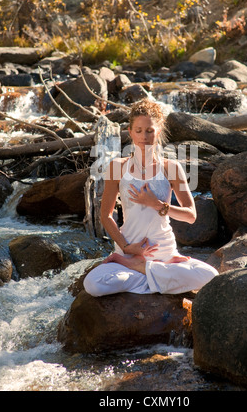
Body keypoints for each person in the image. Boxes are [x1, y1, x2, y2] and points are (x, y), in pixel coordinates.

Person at [83, 98, 218, 297]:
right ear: (130, 132)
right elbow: (106, 216)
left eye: (149, 131)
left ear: (159, 130)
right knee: (93, 285)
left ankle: (141, 269)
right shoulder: (117, 167)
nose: (143, 137)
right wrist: (127, 248)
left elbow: (190, 215)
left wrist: (158, 204)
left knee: (211, 276)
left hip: (164, 252)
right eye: (138, 130)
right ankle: (158, 276)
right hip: (130, 250)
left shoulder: (171, 168)